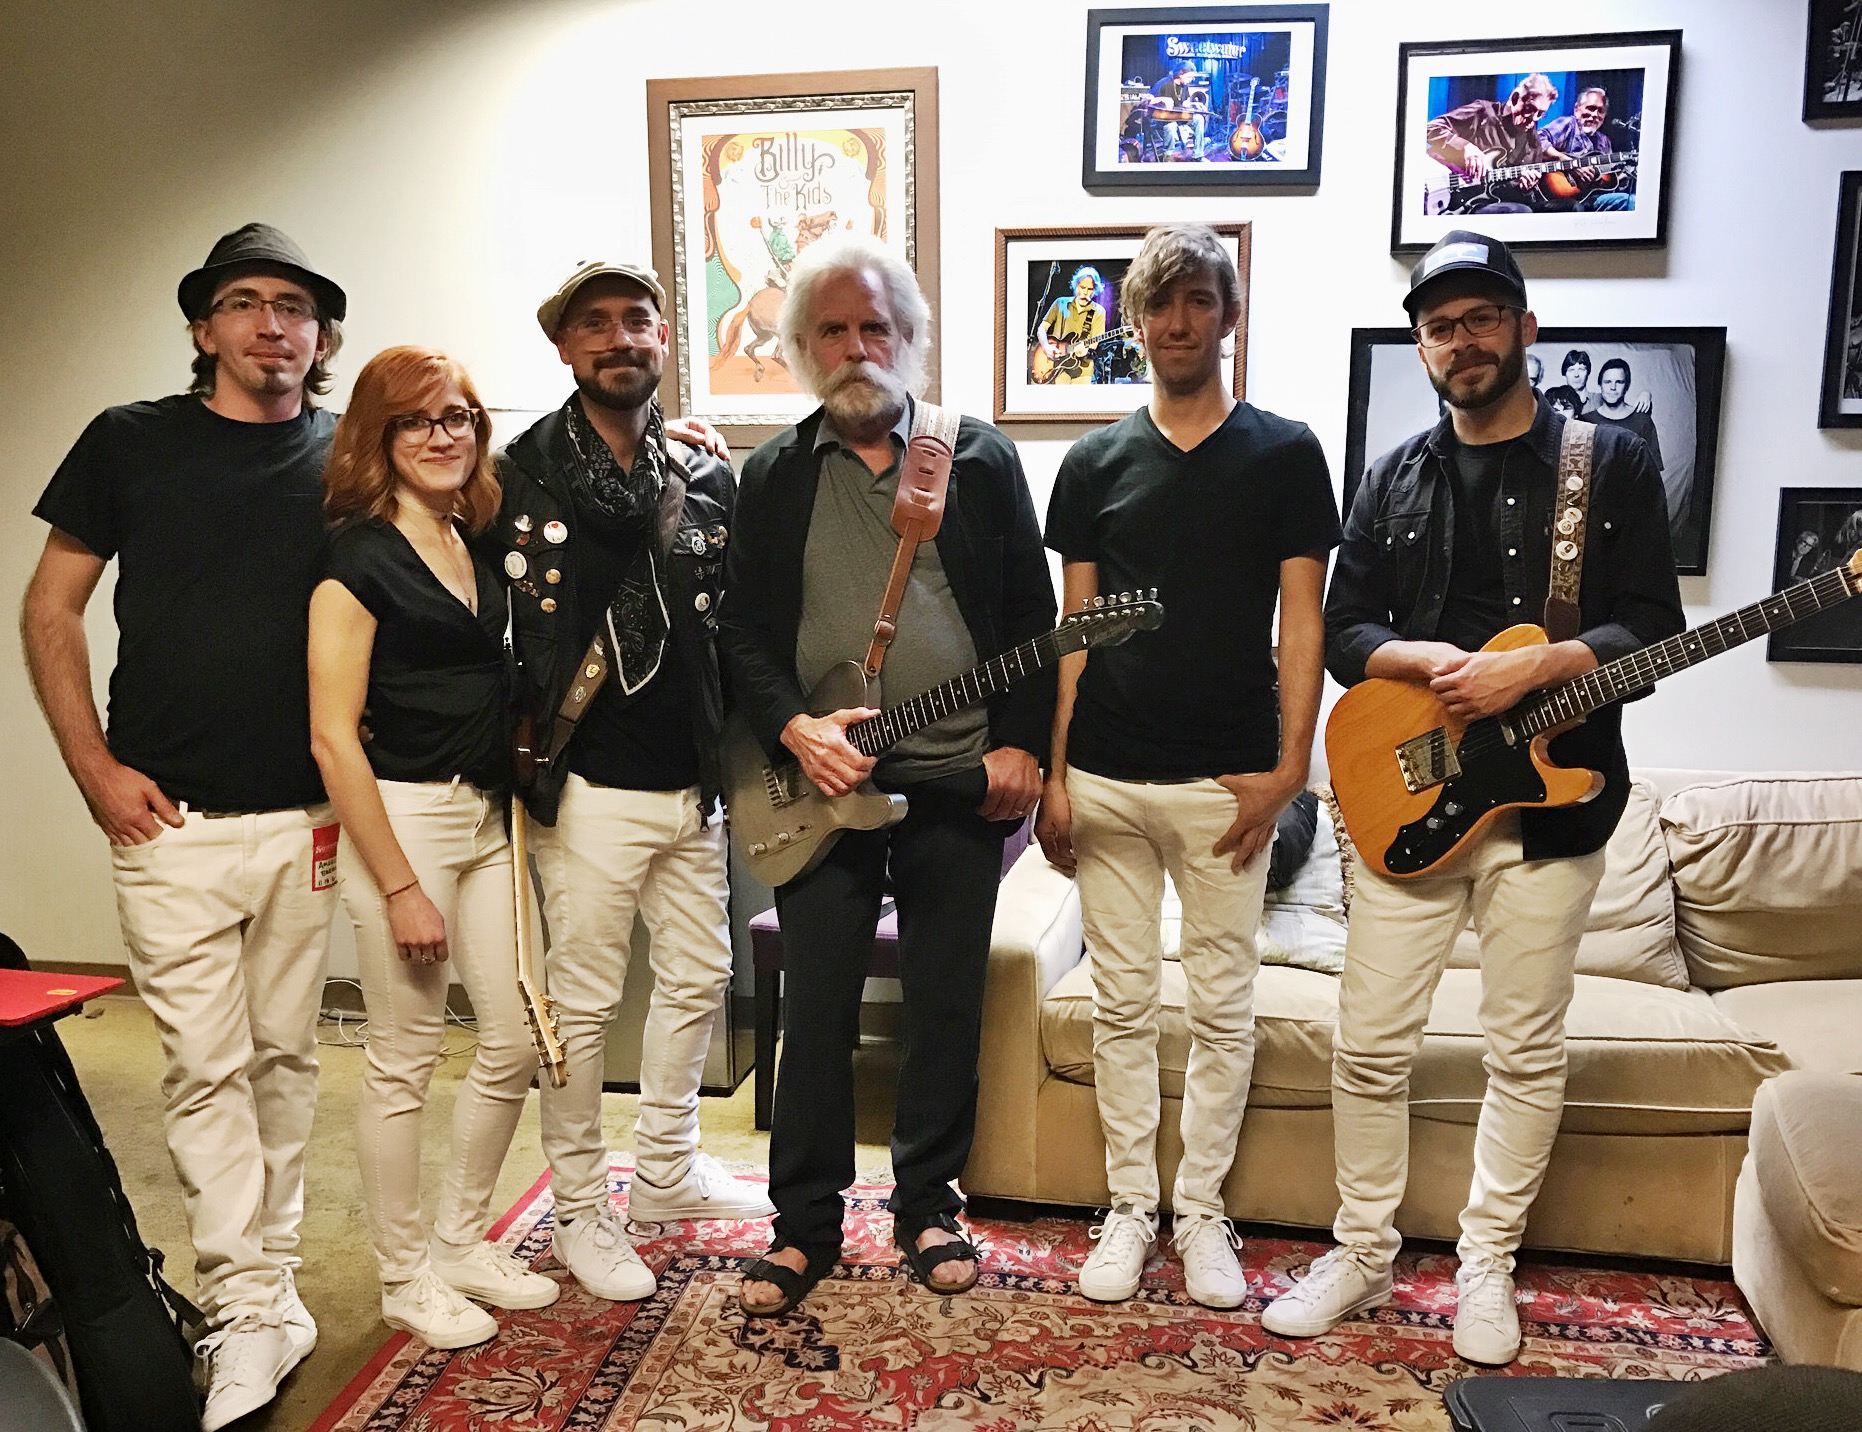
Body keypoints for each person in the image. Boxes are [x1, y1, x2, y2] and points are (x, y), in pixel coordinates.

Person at [1262, 230, 1684, 1365]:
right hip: (1411, 805)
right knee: (1367, 1045)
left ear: (1523, 329)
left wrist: (1536, 665)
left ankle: (1483, 1266)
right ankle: (1360, 1252)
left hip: (1553, 808)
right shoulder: (1392, 473)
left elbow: (1654, 627)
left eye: (1480, 317)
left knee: (1522, 1049)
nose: (1461, 340)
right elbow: (1345, 629)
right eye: (1439, 325)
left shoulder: (1610, 465)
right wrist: (1424, 665)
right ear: (1421, 345)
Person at [21, 223, 345, 1430]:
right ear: (205, 326)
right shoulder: (129, 441)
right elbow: (49, 609)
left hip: (307, 819)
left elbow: (471, 484)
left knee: (287, 1060)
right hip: (170, 823)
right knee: (205, 1067)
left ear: (320, 337)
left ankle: (274, 1284)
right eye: (246, 302)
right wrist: (93, 768)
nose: (272, 324)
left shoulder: (346, 453)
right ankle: (240, 1299)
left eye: (296, 307)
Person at [720, 231, 1056, 1316]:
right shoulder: (767, 476)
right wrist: (793, 729)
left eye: (876, 326)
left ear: (908, 340)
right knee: (815, 1011)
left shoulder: (978, 458)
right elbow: (742, 639)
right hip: (823, 791)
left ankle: (925, 1205)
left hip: (962, 779)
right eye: (832, 328)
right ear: (799, 347)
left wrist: (1022, 743)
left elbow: (1028, 620)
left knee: (944, 1003)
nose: (857, 346)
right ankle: (803, 1227)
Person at [1036, 223, 1340, 1309]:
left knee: (1221, 1006)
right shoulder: (1091, 464)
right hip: (1109, 777)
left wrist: (1287, 769)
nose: (1175, 322)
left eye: (1197, 301)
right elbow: (1073, 632)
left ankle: (1200, 1213)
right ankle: (1129, 1209)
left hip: (1227, 783)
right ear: (1133, 321)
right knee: (1121, 1008)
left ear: (1227, 314)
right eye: (1157, 305)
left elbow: (1300, 625)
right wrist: (1059, 774)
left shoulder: (1284, 452)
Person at [489, 260, 771, 1305]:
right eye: (593, 324)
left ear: (663, 340)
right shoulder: (514, 473)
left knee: (698, 977)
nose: (617, 338)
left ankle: (663, 1172)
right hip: (585, 785)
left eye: (635, 321)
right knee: (583, 1002)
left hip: (689, 785)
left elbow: (732, 624)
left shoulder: (701, 474)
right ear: (565, 348)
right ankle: (576, 1207)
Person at [309, 347, 558, 1348]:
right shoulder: (356, 559)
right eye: (417, 421)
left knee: (510, 1037)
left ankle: (461, 1239)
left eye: (458, 416)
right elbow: (333, 733)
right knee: (402, 1059)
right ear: (379, 436)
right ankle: (403, 1274)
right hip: (401, 819)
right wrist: (402, 886)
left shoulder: (471, 533)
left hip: (488, 817)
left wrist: (693, 445)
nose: (444, 434)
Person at [1425, 74, 1559, 213]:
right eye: (1529, 109)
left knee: (1568, 207)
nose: (1533, 119)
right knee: (1521, 211)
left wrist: (1525, 188)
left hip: (1492, 203)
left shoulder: (1533, 143)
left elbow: (1518, 196)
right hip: (1455, 199)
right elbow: (1430, 129)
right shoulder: (1483, 112)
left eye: (1541, 114)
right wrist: (1465, 147)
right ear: (1514, 98)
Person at [1536, 87, 1635, 213]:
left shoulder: (1604, 142)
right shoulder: (1567, 124)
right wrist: (1570, 164)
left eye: (1600, 111)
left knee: (1629, 201)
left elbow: (1606, 181)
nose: (1595, 115)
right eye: (1591, 108)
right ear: (1577, 109)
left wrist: (1622, 175)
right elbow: (1537, 141)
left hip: (1591, 197)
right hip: (1560, 196)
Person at [1035, 266, 1109, 385]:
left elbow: (1094, 343)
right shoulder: (1060, 303)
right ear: (1076, 285)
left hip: (1083, 370)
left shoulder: (1099, 311)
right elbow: (1042, 328)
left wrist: (1086, 349)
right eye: (1082, 287)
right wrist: (1045, 346)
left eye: (1090, 289)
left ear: (1095, 290)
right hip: (1058, 366)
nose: (1085, 292)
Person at [1149, 61, 1208, 160]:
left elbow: (1184, 103)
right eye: (1189, 77)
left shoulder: (1184, 86)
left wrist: (1195, 104)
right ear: (1180, 74)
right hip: (1164, 118)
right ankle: (1167, 157)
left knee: (1198, 119)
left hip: (1179, 116)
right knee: (1171, 127)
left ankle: (1198, 155)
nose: (1191, 80)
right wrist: (1161, 99)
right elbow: (1147, 100)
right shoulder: (1164, 83)